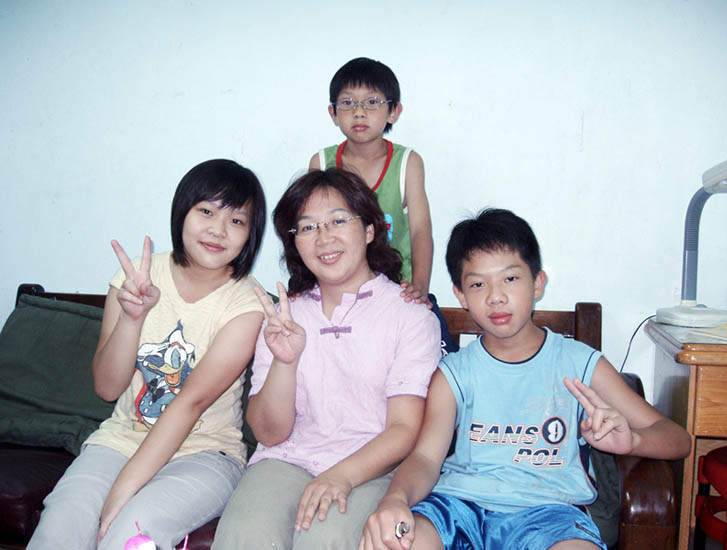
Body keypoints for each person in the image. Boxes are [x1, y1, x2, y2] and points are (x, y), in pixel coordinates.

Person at [359, 208, 692, 550]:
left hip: (552, 517)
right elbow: (426, 459)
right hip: (458, 509)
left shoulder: (580, 364)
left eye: (510, 279)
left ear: (537, 283)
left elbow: (678, 439)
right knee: (395, 542)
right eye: (478, 284)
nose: (495, 296)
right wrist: (394, 499)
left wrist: (632, 441)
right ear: (461, 295)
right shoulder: (454, 374)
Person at [27, 159, 268, 550]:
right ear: (182, 212)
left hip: (205, 454)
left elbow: (190, 404)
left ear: (250, 234)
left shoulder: (247, 304)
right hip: (121, 440)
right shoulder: (136, 278)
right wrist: (132, 318)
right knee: (61, 526)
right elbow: (107, 388)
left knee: (130, 533)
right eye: (206, 211)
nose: (218, 230)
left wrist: (123, 492)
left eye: (236, 220)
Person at [212, 168, 442, 550]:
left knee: (325, 538)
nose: (323, 238)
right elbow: (268, 434)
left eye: (338, 221)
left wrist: (341, 476)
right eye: (307, 227)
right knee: (245, 535)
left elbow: (404, 429)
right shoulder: (285, 316)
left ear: (369, 230)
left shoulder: (410, 316)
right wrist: (285, 362)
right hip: (287, 460)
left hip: (372, 466)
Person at [308, 58, 446, 326]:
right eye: (347, 102)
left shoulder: (407, 163)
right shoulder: (322, 163)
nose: (359, 112)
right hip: (339, 291)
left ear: (393, 111)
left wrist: (419, 285)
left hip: (396, 290)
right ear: (333, 113)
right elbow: (313, 230)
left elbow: (420, 231)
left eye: (372, 102)